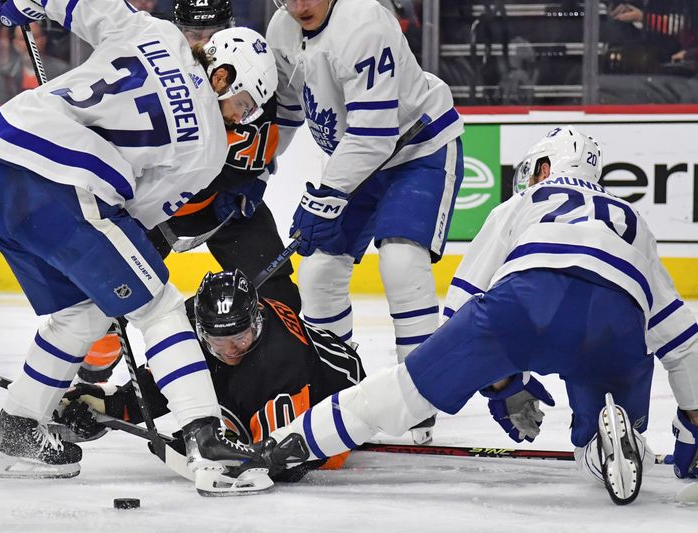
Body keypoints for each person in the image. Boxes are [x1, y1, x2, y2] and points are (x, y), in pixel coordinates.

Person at [255, 126, 698, 505]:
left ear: (545, 169)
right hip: (616, 324)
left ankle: (281, 448)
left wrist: (500, 382)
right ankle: (608, 443)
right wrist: (694, 417)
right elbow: (681, 338)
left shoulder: (525, 202)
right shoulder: (634, 219)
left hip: (526, 302)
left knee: (398, 393)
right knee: (594, 427)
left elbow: (464, 301)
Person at [0, 0, 278, 496]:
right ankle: (208, 442)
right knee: (160, 306)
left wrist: (29, 3)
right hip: (65, 188)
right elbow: (139, 212)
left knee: (83, 314)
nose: (239, 120)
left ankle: (18, 432)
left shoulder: (155, 32)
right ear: (222, 76)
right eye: (242, 105)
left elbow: (87, 5)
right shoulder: (210, 149)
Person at [265, 0, 465, 444]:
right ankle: (330, 383)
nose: (299, 6)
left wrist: (324, 196)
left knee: (400, 260)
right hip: (355, 160)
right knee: (317, 270)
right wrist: (257, 167)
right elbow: (286, 111)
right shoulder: (282, 28)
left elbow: (375, 136)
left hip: (419, 149)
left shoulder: (364, 23)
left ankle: (420, 393)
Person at [77, 0, 301, 384]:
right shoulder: (155, 76)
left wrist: (256, 180)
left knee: (277, 285)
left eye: (213, 32)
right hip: (155, 209)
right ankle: (86, 374)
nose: (205, 42)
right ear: (176, 29)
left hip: (227, 209)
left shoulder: (250, 68)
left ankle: (287, 372)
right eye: (194, 34)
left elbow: (274, 142)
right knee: (109, 288)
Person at [61, 269, 365, 480]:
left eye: (240, 338)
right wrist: (106, 405)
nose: (231, 349)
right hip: (280, 370)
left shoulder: (282, 361)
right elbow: (160, 388)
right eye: (218, 341)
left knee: (236, 417)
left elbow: (283, 465)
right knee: (198, 379)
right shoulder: (191, 320)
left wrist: (208, 445)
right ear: (202, 329)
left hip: (337, 394)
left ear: (256, 321)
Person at [0, 23, 69, 104]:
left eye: (34, 37)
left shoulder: (62, 72)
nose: (29, 44)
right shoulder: (4, 75)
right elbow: (2, 108)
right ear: (15, 43)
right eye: (23, 39)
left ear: (44, 40)